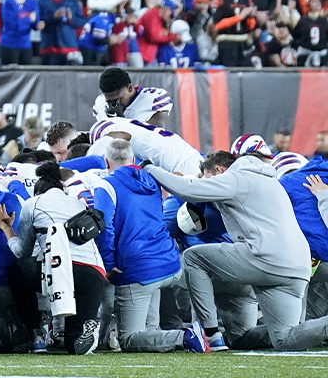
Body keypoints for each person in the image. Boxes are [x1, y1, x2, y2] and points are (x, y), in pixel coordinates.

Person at [142, 151, 328, 351]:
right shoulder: (272, 182)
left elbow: (187, 189)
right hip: (298, 265)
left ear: (219, 170)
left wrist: (149, 167)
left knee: (193, 257)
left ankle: (211, 335)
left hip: (266, 258)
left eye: (207, 177)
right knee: (285, 339)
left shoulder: (237, 178)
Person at [94, 139, 208, 353]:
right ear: (134, 159)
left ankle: (185, 336)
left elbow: (105, 228)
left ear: (106, 162)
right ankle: (179, 337)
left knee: (128, 338)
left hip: (138, 268)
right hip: (169, 262)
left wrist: (108, 263)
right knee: (149, 329)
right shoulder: (152, 180)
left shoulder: (106, 184)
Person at [0, 160, 106, 355]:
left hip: (59, 269)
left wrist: (6, 228)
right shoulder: (79, 202)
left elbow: (21, 252)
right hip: (93, 271)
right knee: (74, 345)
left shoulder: (33, 203)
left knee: (18, 271)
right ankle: (87, 332)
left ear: (38, 190)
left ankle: (36, 334)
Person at [92, 67, 173, 128]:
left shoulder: (153, 98)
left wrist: (120, 121)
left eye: (117, 100)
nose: (113, 106)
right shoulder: (100, 102)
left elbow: (156, 135)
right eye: (109, 102)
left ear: (129, 88)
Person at [37, 0, 85, 66]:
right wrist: (53, 18)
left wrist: (71, 19)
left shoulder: (72, 1)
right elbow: (39, 23)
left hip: (69, 46)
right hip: (49, 47)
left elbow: (82, 22)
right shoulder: (41, 1)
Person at [0, 0, 41, 65]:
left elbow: (34, 23)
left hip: (26, 45)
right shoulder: (8, 1)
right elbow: (12, 24)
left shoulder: (32, 2)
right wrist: (28, 19)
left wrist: (38, 25)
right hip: (9, 44)